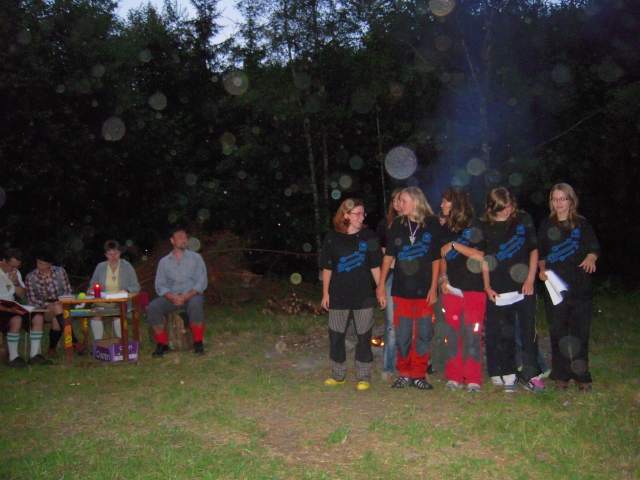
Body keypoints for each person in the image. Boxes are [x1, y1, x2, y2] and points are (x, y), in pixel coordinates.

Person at [376, 187, 442, 390]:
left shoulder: (431, 223)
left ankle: (419, 374)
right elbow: (388, 257)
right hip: (402, 288)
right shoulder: (398, 224)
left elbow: (436, 258)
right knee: (403, 334)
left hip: (424, 289)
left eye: (403, 201)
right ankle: (404, 372)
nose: (399, 204)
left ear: (415, 201)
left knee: (423, 333)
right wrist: (381, 285)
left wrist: (434, 287)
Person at [538, 183, 600, 392]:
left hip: (580, 287)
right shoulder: (546, 225)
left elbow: (594, 248)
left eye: (563, 198)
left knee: (580, 333)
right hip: (556, 290)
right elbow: (541, 255)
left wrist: (591, 257)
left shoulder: (581, 224)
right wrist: (541, 270)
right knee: (558, 333)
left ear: (571, 201)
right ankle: (561, 375)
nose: (559, 203)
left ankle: (582, 375)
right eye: (555, 199)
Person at [482, 187, 544, 393]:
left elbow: (533, 250)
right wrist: (487, 286)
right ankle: (509, 374)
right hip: (500, 288)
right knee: (504, 333)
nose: (506, 211)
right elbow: (485, 260)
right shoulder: (487, 227)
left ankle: (532, 374)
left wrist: (530, 279)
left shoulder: (523, 220)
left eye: (508, 206)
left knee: (528, 332)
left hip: (524, 286)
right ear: (492, 208)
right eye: (501, 208)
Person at [320, 198, 383, 390]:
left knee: (363, 337)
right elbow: (327, 267)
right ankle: (338, 374)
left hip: (363, 296)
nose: (362, 217)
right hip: (338, 295)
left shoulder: (368, 236)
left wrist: (380, 289)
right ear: (346, 215)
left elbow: (375, 265)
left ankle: (363, 376)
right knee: (336, 336)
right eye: (358, 214)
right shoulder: (332, 237)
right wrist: (325, 293)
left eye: (363, 214)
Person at [439, 187, 486, 393]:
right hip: (452, 290)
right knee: (452, 334)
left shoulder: (475, 224)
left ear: (456, 203)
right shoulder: (445, 228)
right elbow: (442, 257)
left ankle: (473, 377)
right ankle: (454, 375)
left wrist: (455, 245)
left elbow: (481, 255)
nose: (442, 205)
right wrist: (444, 278)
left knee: (473, 335)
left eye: (445, 201)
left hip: (474, 288)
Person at [147, 228, 208, 357]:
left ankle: (198, 341)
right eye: (180, 237)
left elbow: (201, 281)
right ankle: (162, 344)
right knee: (153, 307)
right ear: (172, 240)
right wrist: (171, 297)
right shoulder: (164, 262)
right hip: (172, 297)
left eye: (185, 237)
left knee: (196, 304)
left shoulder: (196, 258)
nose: (184, 240)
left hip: (191, 295)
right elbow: (160, 285)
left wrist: (187, 296)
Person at [25, 250, 85, 357]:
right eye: (39, 263)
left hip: (61, 305)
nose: (41, 266)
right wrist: (48, 305)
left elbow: (67, 292)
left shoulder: (60, 272)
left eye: (44, 264)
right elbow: (32, 299)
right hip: (42, 309)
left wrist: (61, 301)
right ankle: (75, 342)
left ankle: (52, 348)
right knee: (57, 309)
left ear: (50, 264)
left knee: (57, 321)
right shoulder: (31, 277)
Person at [0, 248, 50, 367]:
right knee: (16, 319)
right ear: (4, 261)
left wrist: (16, 283)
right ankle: (13, 357)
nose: (14, 269)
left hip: (12, 306)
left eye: (17, 267)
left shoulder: (15, 273)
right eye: (12, 266)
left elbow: (22, 295)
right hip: (2, 308)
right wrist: (8, 310)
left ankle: (34, 355)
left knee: (38, 317)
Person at [87, 240, 141, 340]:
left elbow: (136, 287)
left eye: (116, 254)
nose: (113, 257)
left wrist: (126, 290)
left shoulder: (127, 267)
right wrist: (91, 289)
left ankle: (122, 342)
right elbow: (93, 284)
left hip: (121, 301)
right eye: (110, 254)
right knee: (96, 314)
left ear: (120, 252)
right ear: (106, 255)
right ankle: (98, 342)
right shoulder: (101, 267)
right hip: (103, 300)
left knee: (118, 314)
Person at [375, 189, 402, 381]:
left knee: (410, 324)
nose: (398, 204)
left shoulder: (415, 223)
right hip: (391, 275)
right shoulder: (386, 224)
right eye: (395, 200)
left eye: (402, 200)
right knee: (391, 324)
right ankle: (388, 367)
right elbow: (378, 249)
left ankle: (408, 365)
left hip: (411, 277)